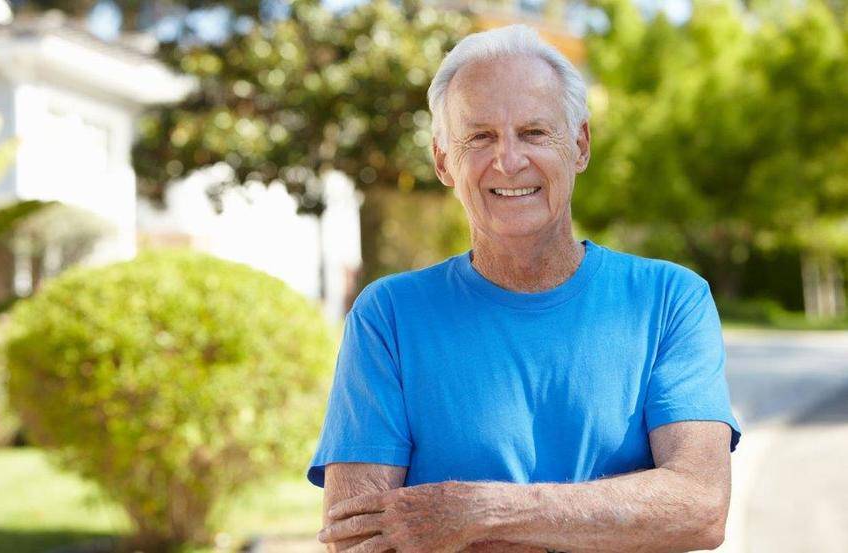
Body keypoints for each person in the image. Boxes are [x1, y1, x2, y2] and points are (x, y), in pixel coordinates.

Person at [307, 23, 742, 553]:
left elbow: (697, 509)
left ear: (579, 145)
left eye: (534, 133)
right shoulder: (389, 316)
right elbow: (358, 540)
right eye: (480, 137)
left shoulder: (671, 300)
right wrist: (616, 518)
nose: (509, 161)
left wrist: (475, 513)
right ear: (444, 160)